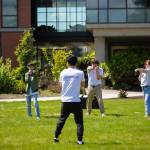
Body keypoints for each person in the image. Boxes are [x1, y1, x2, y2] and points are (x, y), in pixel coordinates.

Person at [53, 55, 85, 145]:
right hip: (76, 101)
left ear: (67, 63)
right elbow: (82, 86)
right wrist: (83, 92)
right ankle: (79, 140)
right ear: (76, 63)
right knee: (79, 121)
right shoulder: (80, 73)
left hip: (65, 101)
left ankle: (56, 137)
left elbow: (60, 86)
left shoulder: (63, 73)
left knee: (62, 119)